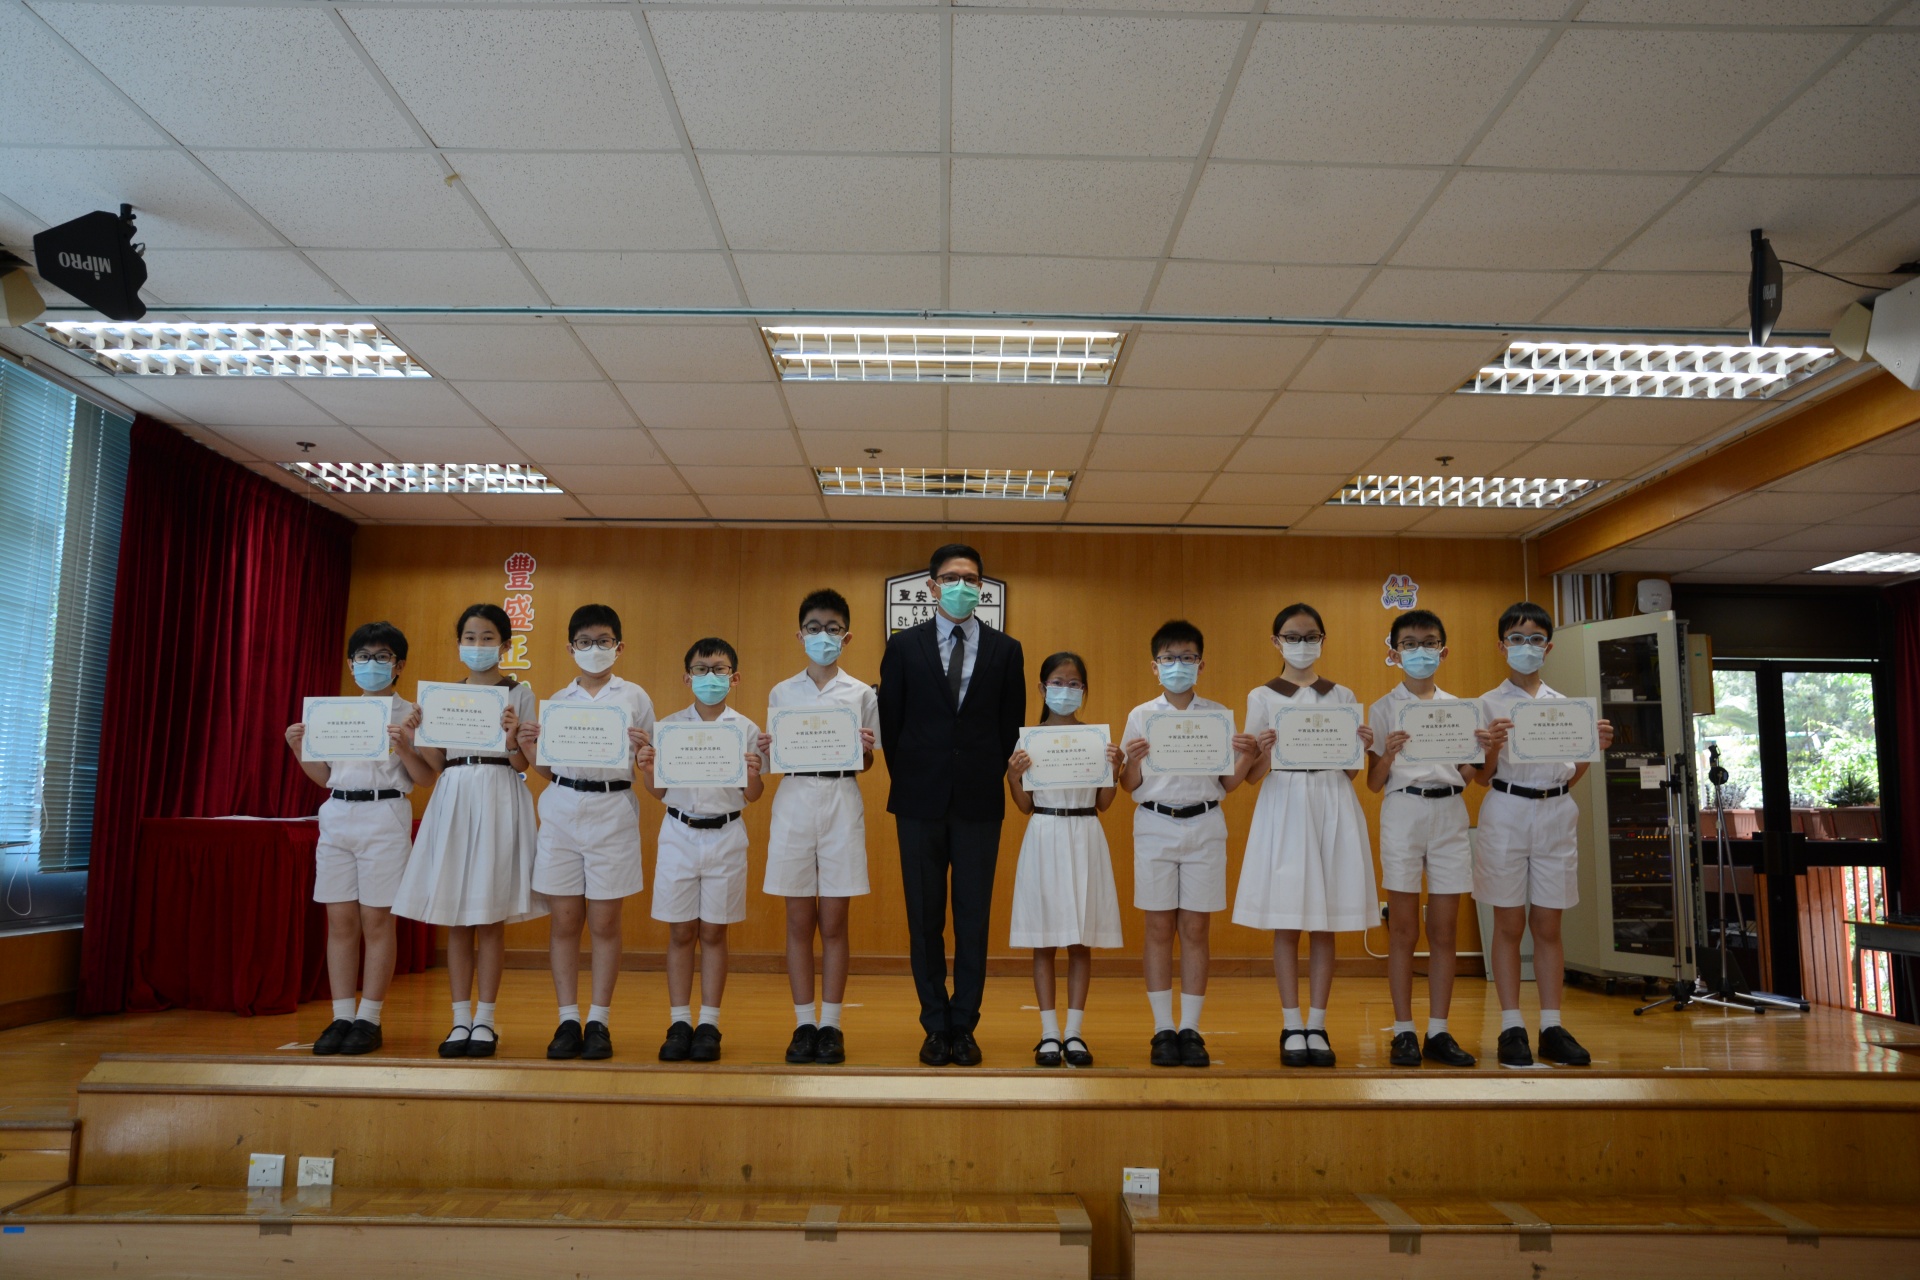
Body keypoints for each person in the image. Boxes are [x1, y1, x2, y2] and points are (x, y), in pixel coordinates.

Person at [878, 543, 1026, 1068]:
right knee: (923, 918)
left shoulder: (1007, 650)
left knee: (973, 918)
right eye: (950, 577)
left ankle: (964, 1024)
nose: (961, 585)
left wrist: (979, 773)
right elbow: (892, 724)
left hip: (979, 801)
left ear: (980, 588)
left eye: (970, 578)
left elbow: (1010, 727)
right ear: (932, 587)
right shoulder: (903, 646)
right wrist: (916, 777)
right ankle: (934, 1024)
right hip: (918, 800)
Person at [393, 603, 544, 1059]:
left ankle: (486, 1021)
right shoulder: (443, 696)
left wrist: (513, 738)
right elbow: (437, 766)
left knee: (489, 916)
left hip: (500, 794)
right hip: (455, 797)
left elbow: (522, 765)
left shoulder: (520, 693)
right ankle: (460, 1018)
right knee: (456, 915)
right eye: (470, 638)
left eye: (487, 638)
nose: (478, 646)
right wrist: (415, 737)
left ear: (506, 644)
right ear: (460, 643)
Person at [1235, 603, 1377, 1069]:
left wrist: (1361, 746)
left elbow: (1350, 771)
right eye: (1292, 637)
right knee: (1288, 918)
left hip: (1332, 801)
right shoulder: (1262, 696)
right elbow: (1251, 775)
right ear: (1276, 642)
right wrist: (1262, 751)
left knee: (1324, 919)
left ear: (1322, 639)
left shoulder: (1341, 694)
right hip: (1286, 803)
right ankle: (1291, 1023)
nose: (1302, 644)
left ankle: (1318, 1023)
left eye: (1310, 636)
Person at [1473, 601, 1615, 1067]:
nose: (1526, 646)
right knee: (1509, 924)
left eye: (1535, 639)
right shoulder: (1486, 704)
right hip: (1506, 810)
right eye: (1516, 639)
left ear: (1548, 647)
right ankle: (1511, 1025)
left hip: (1556, 811)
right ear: (1502, 646)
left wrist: (1594, 747)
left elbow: (1570, 774)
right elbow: (1480, 777)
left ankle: (1552, 1025)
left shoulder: (1566, 707)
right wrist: (1492, 748)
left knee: (1549, 925)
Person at [285, 621, 436, 1057]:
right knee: (341, 921)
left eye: (382, 657)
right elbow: (326, 777)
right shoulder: (333, 713)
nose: (372, 664)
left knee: (377, 921)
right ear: (351, 665)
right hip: (337, 815)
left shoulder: (412, 714)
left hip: (385, 815)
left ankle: (369, 1018)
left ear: (399, 665)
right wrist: (298, 749)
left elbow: (426, 777)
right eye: (363, 657)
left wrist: (405, 745)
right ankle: (341, 1016)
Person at [1364, 608, 1502, 1069]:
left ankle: (1439, 1031)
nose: (1419, 651)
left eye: (1428, 643)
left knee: (1444, 929)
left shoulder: (1463, 708)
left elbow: (1471, 774)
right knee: (1403, 929)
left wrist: (1485, 750)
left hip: (1449, 811)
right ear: (1393, 652)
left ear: (1443, 651)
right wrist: (1388, 754)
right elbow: (1374, 782)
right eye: (1409, 644)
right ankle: (1403, 1030)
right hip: (1403, 810)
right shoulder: (1382, 708)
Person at [517, 604, 655, 1062]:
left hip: (613, 809)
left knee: (605, 923)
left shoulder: (635, 697)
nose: (594, 649)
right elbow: (547, 768)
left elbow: (651, 763)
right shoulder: (559, 700)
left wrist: (644, 751)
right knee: (564, 921)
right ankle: (567, 1019)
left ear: (619, 646)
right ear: (571, 647)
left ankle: (599, 1020)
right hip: (562, 808)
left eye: (603, 641)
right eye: (584, 642)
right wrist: (529, 747)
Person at [1118, 620, 1258, 1069]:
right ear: (1155, 666)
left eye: (1187, 657)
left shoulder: (1217, 715)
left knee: (1196, 930)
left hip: (1205, 825)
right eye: (1169, 658)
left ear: (1201, 663)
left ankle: (1191, 1029)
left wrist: (1249, 756)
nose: (1178, 665)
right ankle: (1163, 1029)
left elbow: (1227, 784)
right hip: (1155, 824)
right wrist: (1133, 762)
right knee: (1158, 929)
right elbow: (1128, 783)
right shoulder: (1141, 715)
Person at [759, 589, 879, 1067]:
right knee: (797, 920)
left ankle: (831, 1025)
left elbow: (867, 763)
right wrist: (768, 748)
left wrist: (863, 749)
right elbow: (775, 757)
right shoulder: (781, 692)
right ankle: (803, 1023)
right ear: (800, 635)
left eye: (832, 628)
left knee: (833, 921)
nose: (823, 636)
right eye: (814, 628)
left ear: (846, 637)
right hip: (793, 798)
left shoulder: (861, 693)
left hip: (841, 798)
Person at [640, 638, 764, 1064]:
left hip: (726, 835)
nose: (710, 676)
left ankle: (709, 1023)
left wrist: (753, 773)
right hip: (679, 833)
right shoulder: (668, 727)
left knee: (713, 932)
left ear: (735, 677)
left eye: (719, 669)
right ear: (686, 677)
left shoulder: (746, 729)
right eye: (701, 668)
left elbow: (752, 795)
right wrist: (648, 769)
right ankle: (679, 1022)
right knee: (680, 932)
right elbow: (659, 792)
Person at [1007, 652, 1127, 1067]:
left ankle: (1074, 1032)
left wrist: (1114, 769)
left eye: (1074, 683)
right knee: (1044, 941)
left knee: (1079, 940)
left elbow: (1105, 803)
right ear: (1042, 688)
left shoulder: (1095, 739)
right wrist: (1012, 776)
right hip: (1044, 832)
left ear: (1084, 690)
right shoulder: (1028, 740)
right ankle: (1048, 1033)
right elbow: (1024, 805)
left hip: (1084, 832)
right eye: (1058, 682)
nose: (1066, 690)